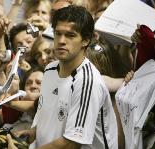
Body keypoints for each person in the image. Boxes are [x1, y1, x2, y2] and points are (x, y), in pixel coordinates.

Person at [11, 5, 118, 149]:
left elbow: (71, 143)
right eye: (58, 33)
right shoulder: (49, 70)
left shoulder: (87, 81)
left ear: (86, 40)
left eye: (70, 35)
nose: (61, 40)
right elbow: (49, 117)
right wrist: (32, 133)